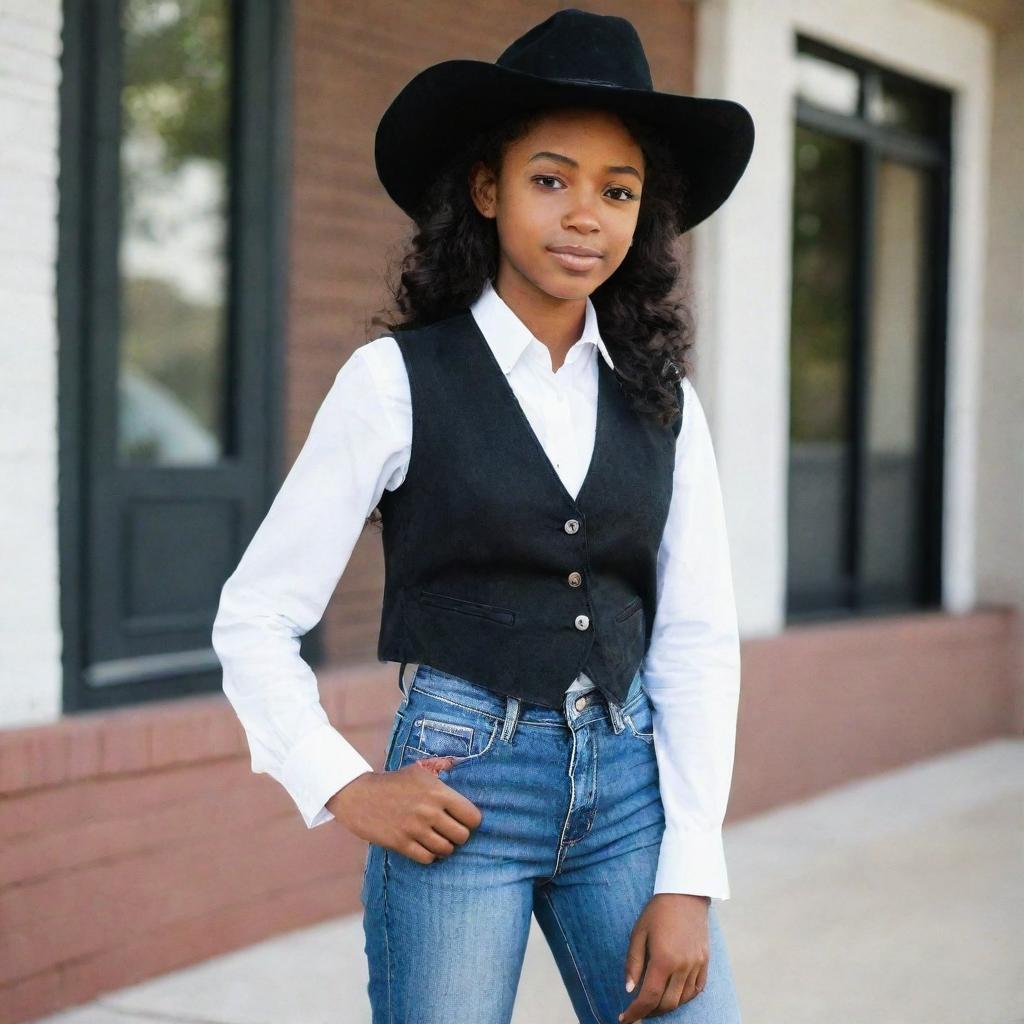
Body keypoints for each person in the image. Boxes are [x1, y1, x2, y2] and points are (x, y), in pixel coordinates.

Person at [212, 9, 754, 1023]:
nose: (585, 215)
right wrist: (342, 782)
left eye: (618, 190)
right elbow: (253, 614)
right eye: (551, 180)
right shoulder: (394, 382)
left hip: (630, 792)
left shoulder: (664, 400)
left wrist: (690, 872)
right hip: (460, 793)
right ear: (487, 188)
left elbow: (695, 638)